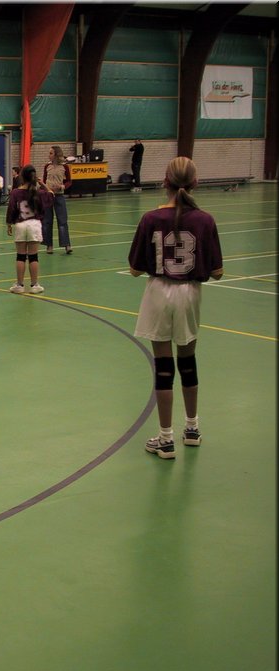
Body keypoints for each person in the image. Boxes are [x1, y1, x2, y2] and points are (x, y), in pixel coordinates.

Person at [127, 156, 223, 460]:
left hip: (159, 292)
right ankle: (192, 428)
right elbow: (218, 271)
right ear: (195, 183)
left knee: (164, 366)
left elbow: (134, 269)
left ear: (165, 182)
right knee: (188, 360)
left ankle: (166, 438)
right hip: (189, 293)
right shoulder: (205, 220)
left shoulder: (151, 219)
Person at [5, 164, 53, 294]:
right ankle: (34, 285)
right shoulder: (39, 192)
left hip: (21, 224)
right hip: (34, 224)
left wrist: (9, 223)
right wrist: (42, 184)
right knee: (33, 257)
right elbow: (51, 195)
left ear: (22, 177)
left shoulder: (15, 192)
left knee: (20, 256)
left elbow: (11, 209)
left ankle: (19, 285)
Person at [42, 145, 73, 254]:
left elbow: (69, 181)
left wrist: (63, 186)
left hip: (59, 196)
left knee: (62, 221)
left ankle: (67, 244)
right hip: (48, 196)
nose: (49, 155)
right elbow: (44, 181)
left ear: (56, 154)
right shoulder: (47, 166)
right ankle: (49, 245)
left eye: (51, 153)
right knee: (47, 221)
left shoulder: (65, 167)